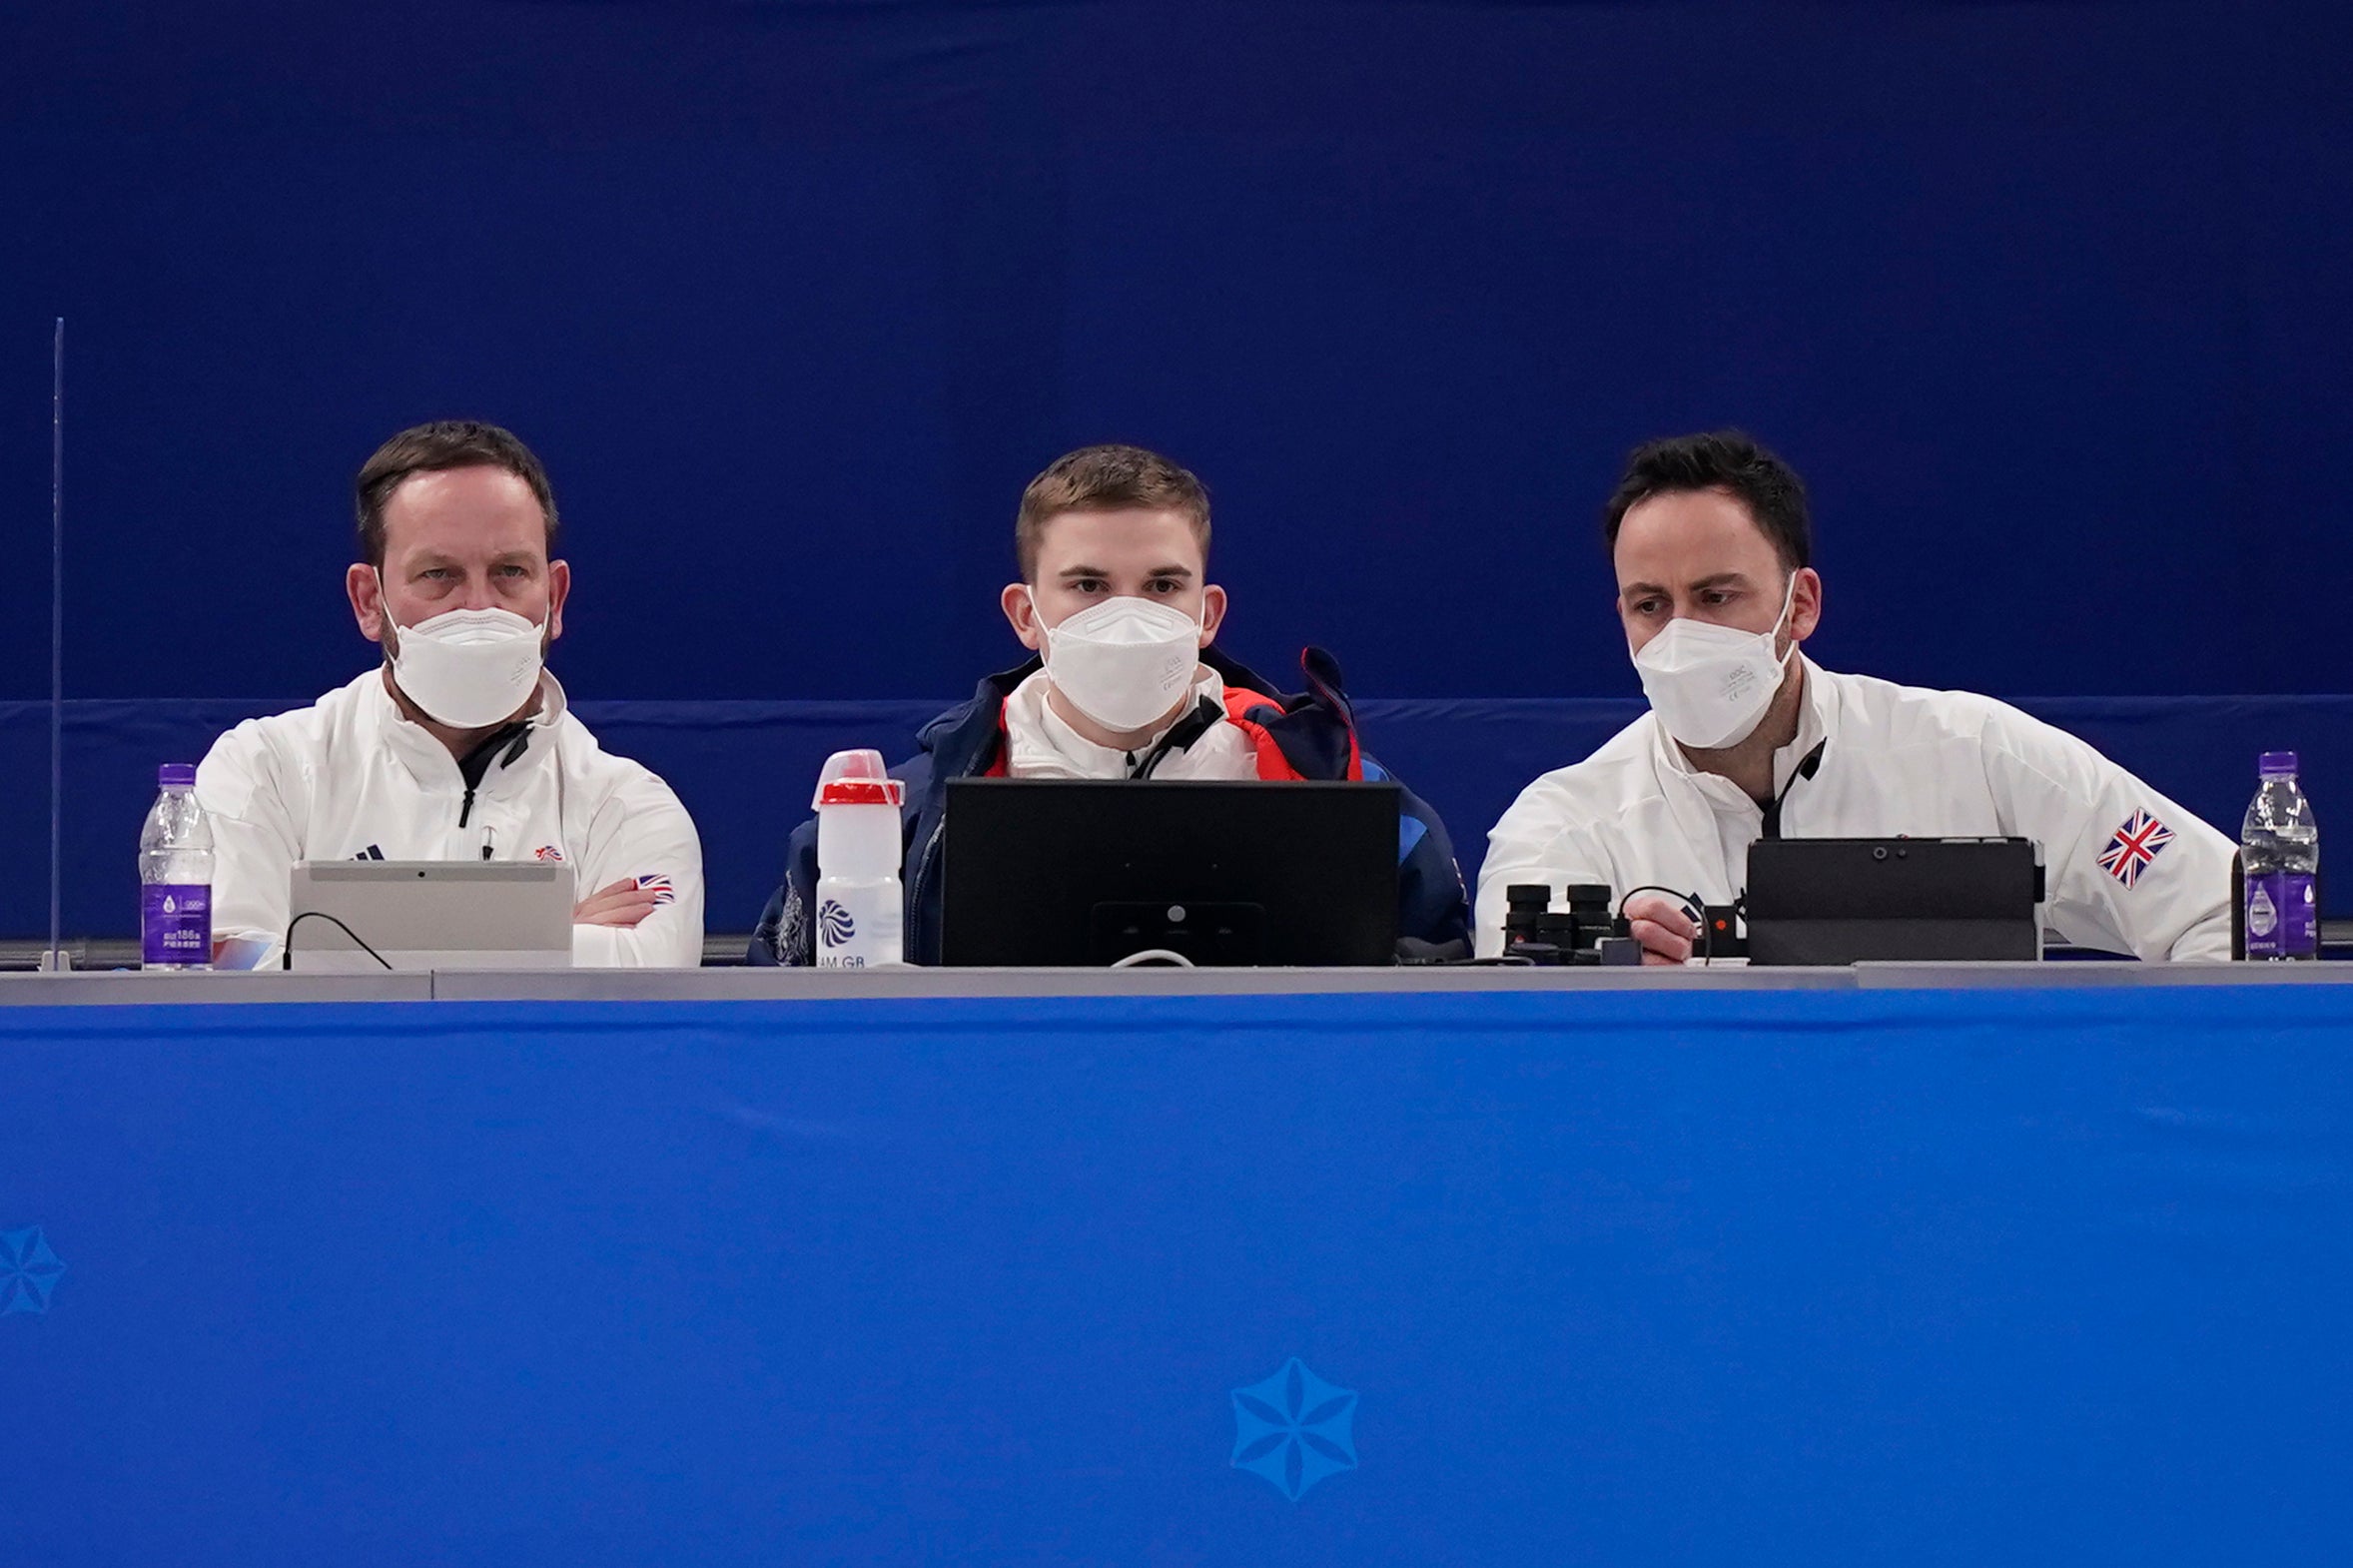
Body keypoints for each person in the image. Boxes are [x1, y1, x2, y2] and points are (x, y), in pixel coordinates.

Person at [1478, 430, 2233, 962]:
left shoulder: (1974, 754)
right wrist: (1619, 1011)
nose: (1682, 635)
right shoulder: (1561, 832)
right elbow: (1521, 1048)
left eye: (1716, 596)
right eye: (1650, 605)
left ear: (1800, 605)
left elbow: (2227, 915)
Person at [750, 442, 1468, 964]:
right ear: (1025, 614)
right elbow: (788, 1035)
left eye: (1162, 586)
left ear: (1207, 613)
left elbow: (1443, 1006)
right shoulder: (899, 821)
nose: (1127, 617)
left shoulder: (1351, 799)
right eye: (1088, 585)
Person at [195, 420, 705, 967]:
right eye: (439, 574)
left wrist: (330, 948)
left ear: (554, 598)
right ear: (369, 601)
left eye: (511, 571)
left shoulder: (627, 808)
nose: (479, 607)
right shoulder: (266, 771)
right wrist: (546, 938)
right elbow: (234, 981)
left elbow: (643, 986)